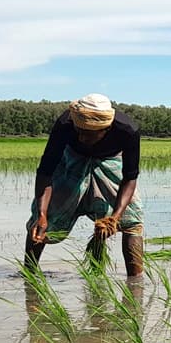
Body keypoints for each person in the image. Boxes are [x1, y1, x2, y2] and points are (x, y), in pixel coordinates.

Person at [25, 93, 144, 277]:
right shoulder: (66, 124)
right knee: (42, 220)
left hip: (110, 160)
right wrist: (41, 214)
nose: (81, 137)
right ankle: (29, 275)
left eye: (88, 134)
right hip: (72, 159)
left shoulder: (127, 131)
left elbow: (130, 177)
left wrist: (115, 217)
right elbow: (46, 171)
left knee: (132, 221)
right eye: (78, 131)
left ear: (106, 129)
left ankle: (135, 283)